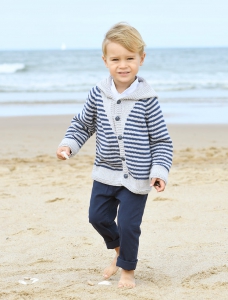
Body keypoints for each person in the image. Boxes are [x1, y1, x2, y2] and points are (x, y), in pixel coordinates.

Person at [56, 22, 173, 288]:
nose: (123, 65)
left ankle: (128, 272)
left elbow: (162, 142)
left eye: (130, 58)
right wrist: (68, 145)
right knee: (97, 218)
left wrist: (159, 172)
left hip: (137, 177)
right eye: (116, 59)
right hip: (105, 173)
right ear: (105, 61)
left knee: (129, 225)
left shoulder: (147, 100)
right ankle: (120, 254)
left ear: (141, 59)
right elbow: (83, 124)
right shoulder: (98, 93)